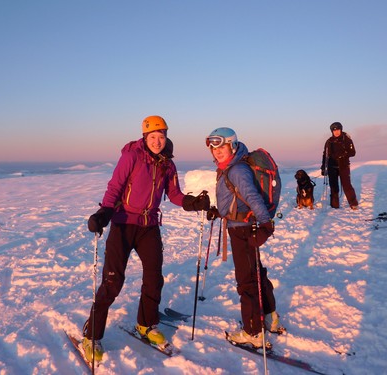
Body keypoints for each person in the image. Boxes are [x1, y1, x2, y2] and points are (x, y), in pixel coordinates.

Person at [83, 115, 210, 361]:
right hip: (123, 224)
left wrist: (192, 202)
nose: (157, 141)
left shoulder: (167, 165)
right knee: (112, 283)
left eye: (161, 136)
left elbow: (174, 194)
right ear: (145, 137)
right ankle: (91, 335)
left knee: (154, 277)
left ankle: (146, 324)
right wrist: (104, 213)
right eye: (153, 137)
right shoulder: (131, 157)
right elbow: (114, 187)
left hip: (149, 225)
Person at [205, 127, 284, 349]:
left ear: (232, 145)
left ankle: (253, 332)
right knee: (256, 273)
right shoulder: (230, 167)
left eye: (221, 146)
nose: (217, 151)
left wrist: (266, 225)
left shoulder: (237, 170)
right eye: (214, 147)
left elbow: (251, 196)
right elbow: (235, 198)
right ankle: (270, 317)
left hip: (243, 230)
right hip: (241, 225)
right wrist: (219, 211)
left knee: (247, 281)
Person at [320, 122, 359, 209]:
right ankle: (334, 205)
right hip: (331, 166)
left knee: (347, 185)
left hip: (343, 165)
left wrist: (342, 154)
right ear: (332, 131)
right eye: (334, 130)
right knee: (333, 186)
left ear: (341, 130)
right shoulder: (329, 141)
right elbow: (325, 155)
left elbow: (353, 152)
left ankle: (353, 204)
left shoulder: (347, 139)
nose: (336, 132)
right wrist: (323, 168)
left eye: (338, 130)